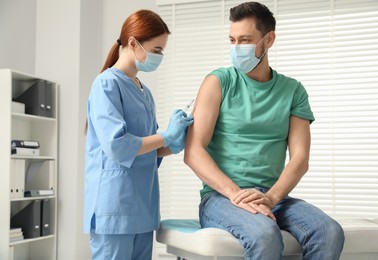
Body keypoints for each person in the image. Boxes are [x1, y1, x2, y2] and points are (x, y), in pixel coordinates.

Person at [184, 2, 344, 259]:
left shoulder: (293, 91)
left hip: (273, 195)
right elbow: (193, 151)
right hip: (222, 197)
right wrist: (236, 194)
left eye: (245, 40)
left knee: (329, 231)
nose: (237, 48)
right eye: (232, 40)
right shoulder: (218, 82)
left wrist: (270, 198)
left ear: (268, 40)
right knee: (264, 234)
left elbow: (300, 159)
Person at [83, 9, 193, 260]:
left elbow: (147, 150)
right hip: (115, 207)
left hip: (143, 207)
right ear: (133, 43)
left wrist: (175, 143)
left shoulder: (144, 91)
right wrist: (166, 136)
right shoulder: (106, 84)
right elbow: (117, 146)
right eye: (156, 50)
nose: (159, 56)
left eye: (162, 51)